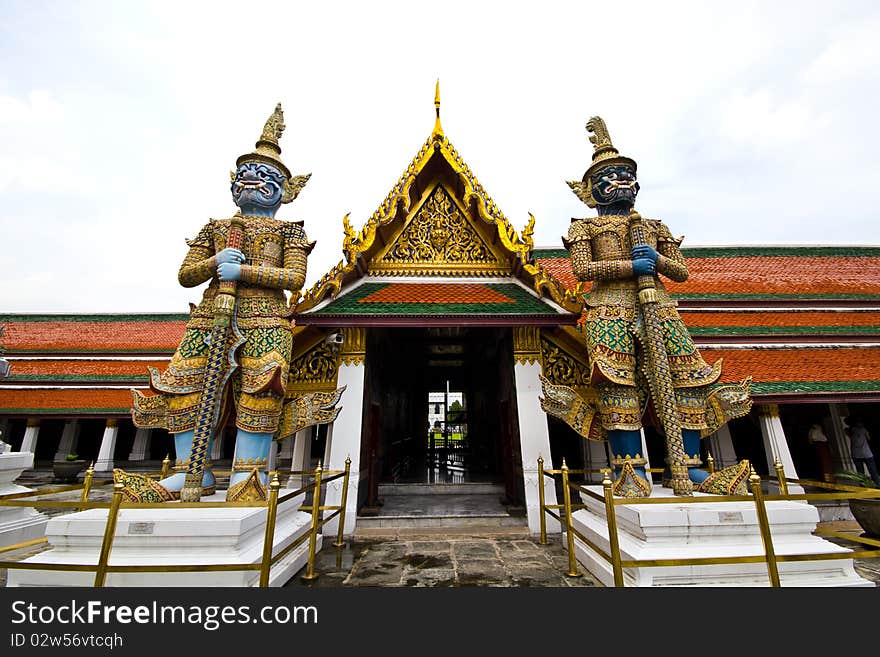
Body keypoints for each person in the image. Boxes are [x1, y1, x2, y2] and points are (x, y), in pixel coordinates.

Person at [548, 116, 752, 497]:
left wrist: (656, 260)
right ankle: (631, 469)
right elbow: (582, 269)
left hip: (658, 306)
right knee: (616, 384)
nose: (623, 181)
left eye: (628, 174)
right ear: (591, 190)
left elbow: (681, 272)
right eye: (612, 176)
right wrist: (631, 266)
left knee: (688, 382)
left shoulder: (655, 226)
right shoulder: (585, 228)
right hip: (608, 309)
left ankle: (689, 467)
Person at [126, 104, 314, 502]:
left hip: (266, 318)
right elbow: (186, 274)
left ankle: (249, 475)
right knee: (184, 384)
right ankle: (191, 472)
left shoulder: (290, 232)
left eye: (265, 177)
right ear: (233, 183)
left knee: (262, 387)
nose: (253, 181)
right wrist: (214, 263)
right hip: (212, 314)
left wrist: (242, 272)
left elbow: (294, 279)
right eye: (246, 174)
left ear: (286, 190)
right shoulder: (215, 229)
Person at [847, 417, 880, 486]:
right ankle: (877, 485)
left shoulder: (849, 430)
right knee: (873, 471)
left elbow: (850, 436)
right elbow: (869, 438)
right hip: (867, 454)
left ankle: (863, 486)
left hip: (855, 454)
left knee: (860, 473)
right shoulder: (863, 429)